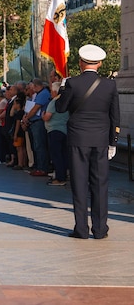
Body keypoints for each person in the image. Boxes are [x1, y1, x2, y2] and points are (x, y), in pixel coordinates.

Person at [56, 44, 119, 240]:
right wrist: (113, 141)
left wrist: (63, 88)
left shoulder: (72, 83)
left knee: (79, 184)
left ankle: (81, 229)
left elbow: (60, 108)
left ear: (81, 63)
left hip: (78, 139)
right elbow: (115, 116)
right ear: (99, 63)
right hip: (100, 140)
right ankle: (100, 230)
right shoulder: (110, 85)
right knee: (100, 185)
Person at [22, 79, 51, 176]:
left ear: (35, 86)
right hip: (34, 122)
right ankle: (38, 166)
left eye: (31, 87)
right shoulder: (38, 94)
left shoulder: (43, 94)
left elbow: (35, 108)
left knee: (40, 145)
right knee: (36, 145)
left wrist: (27, 117)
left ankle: (43, 168)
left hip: (39, 122)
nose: (30, 89)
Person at [43, 82, 69, 186]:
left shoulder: (54, 102)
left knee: (56, 155)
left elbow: (48, 116)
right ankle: (63, 174)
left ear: (54, 91)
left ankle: (60, 178)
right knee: (63, 154)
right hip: (64, 130)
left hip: (54, 130)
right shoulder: (66, 102)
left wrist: (43, 116)